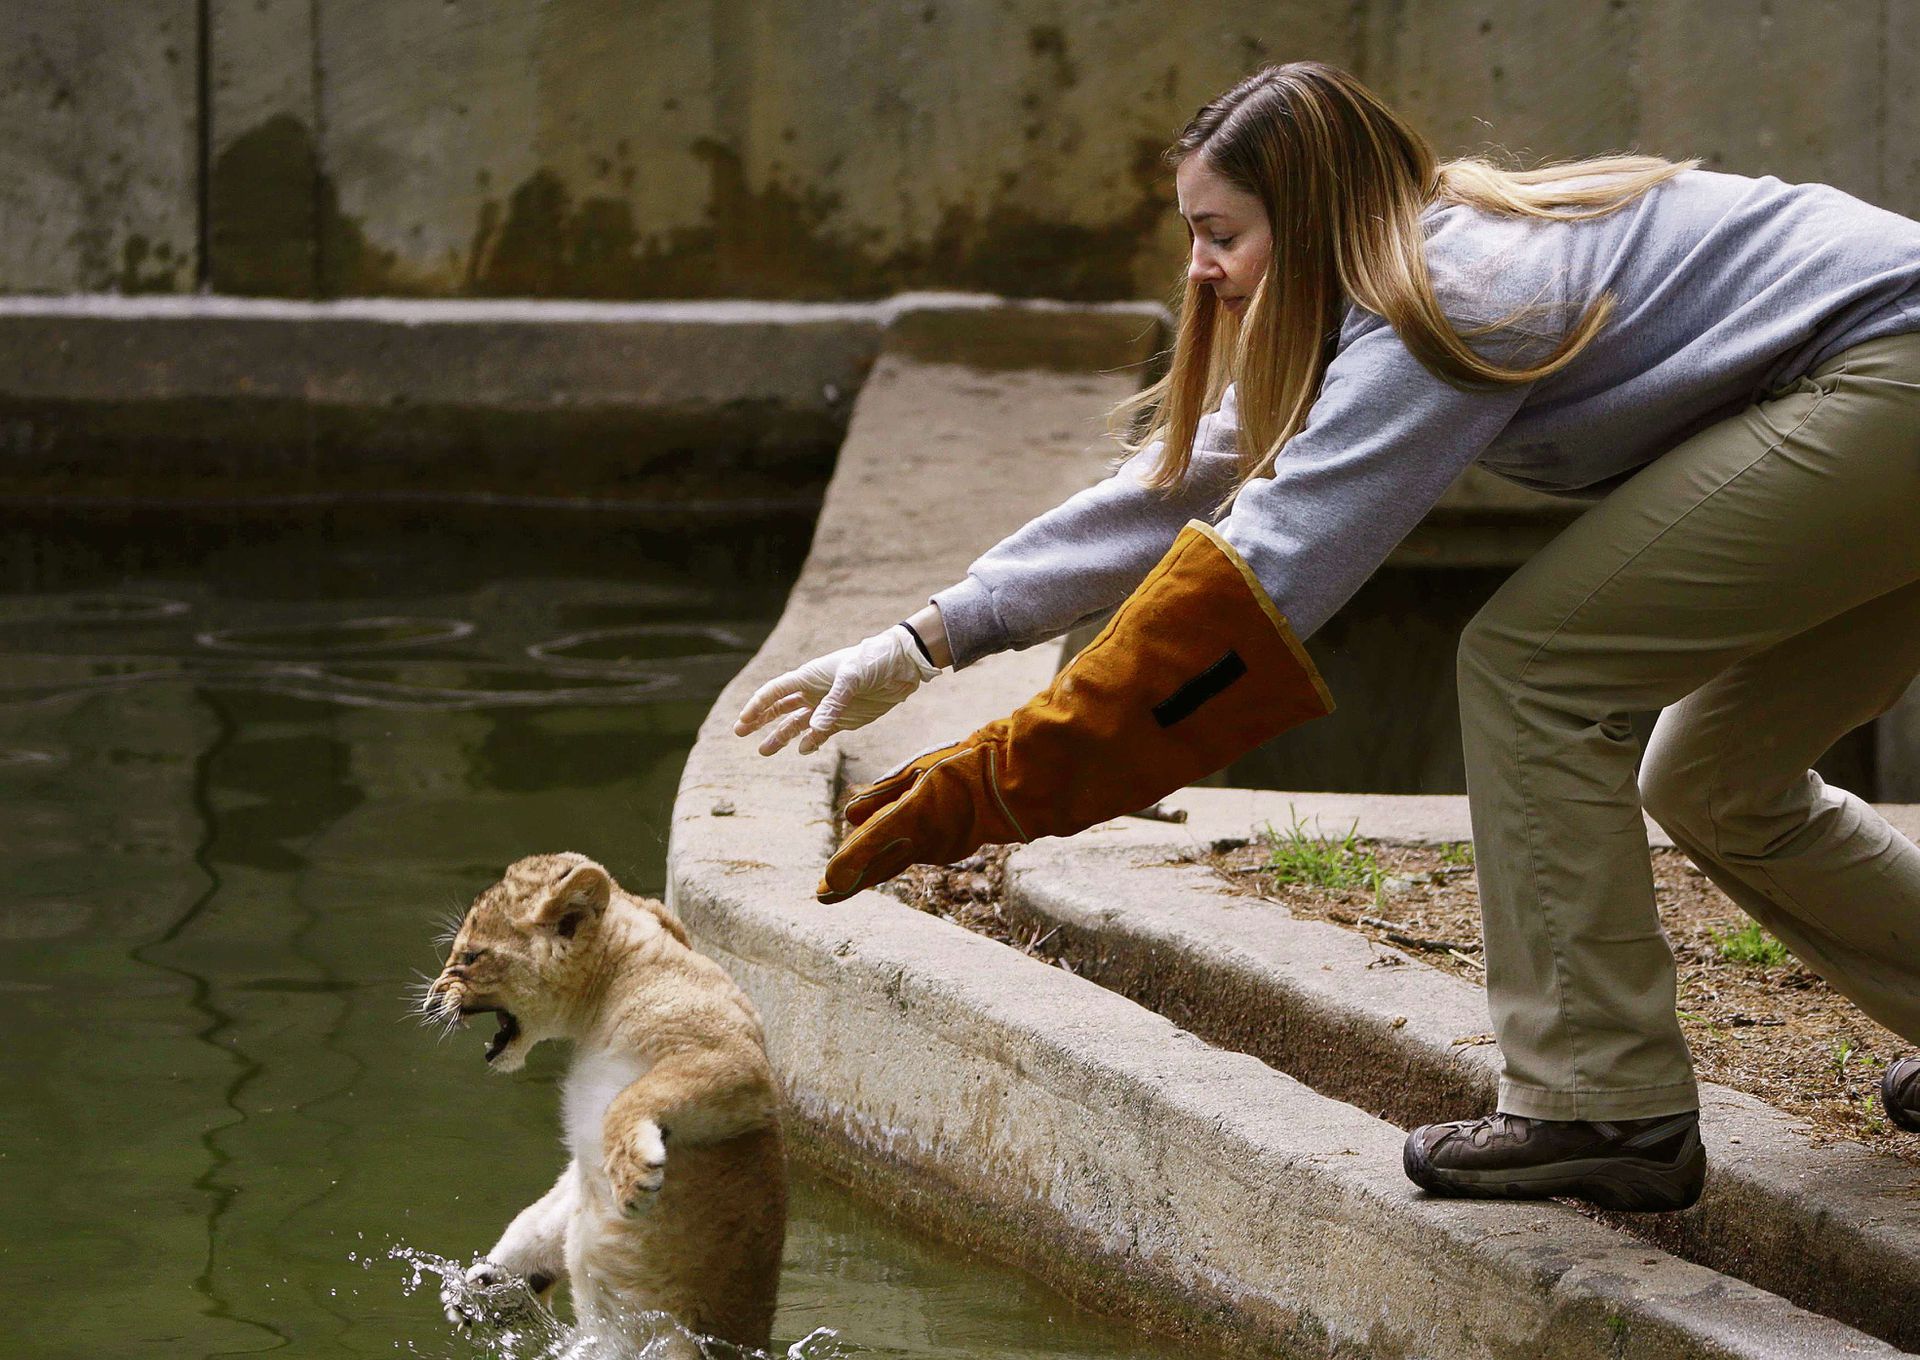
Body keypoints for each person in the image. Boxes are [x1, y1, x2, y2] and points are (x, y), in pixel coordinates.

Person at [733, 60, 1920, 1212]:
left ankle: (1604, 1104)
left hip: (1889, 377)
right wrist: (922, 638)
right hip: (1882, 384)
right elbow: (1181, 484)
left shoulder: (1451, 295)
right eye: (1191, 232)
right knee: (1712, 773)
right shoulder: (1397, 267)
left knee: (1535, 670)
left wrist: (1003, 779)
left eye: (1222, 233)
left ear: (1310, 218)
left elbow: (1270, 573)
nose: (1198, 270)